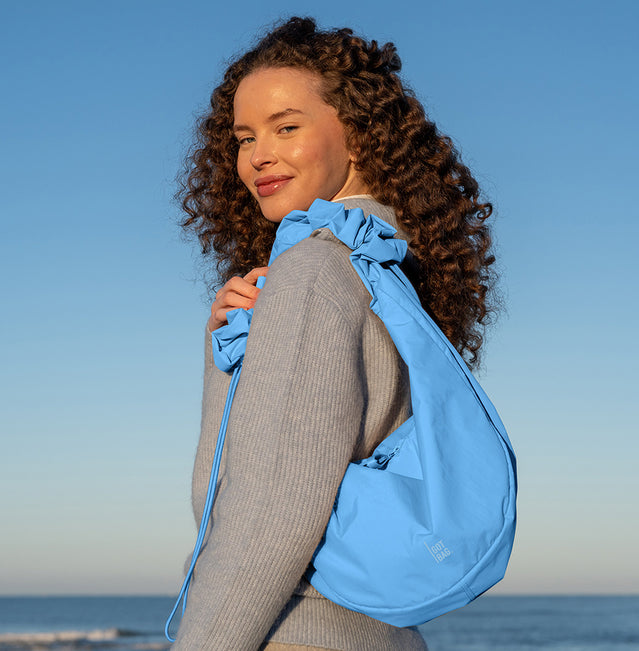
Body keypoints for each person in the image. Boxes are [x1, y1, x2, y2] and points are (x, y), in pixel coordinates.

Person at [172, 17, 497, 650]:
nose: (257, 155)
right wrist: (229, 354)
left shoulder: (318, 269)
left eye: (286, 127)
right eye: (244, 137)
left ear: (359, 132)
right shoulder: (384, 269)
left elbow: (264, 516)